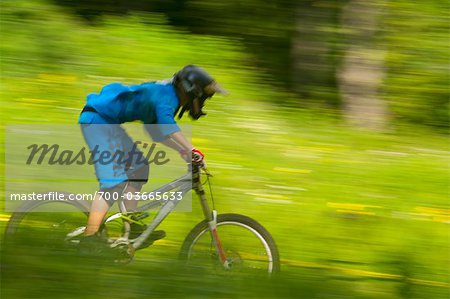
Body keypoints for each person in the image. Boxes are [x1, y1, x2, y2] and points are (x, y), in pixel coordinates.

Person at [78, 65, 226, 251]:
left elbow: (156, 131)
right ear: (193, 90)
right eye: (204, 97)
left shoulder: (169, 97)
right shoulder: (167, 97)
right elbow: (167, 125)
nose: (204, 101)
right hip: (97, 121)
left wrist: (184, 152)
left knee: (139, 167)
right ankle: (89, 238)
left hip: (107, 121)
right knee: (113, 183)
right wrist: (192, 149)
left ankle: (130, 226)